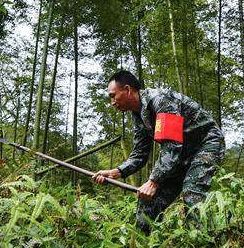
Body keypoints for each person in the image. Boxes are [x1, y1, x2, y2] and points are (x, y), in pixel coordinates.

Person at [93, 70, 225, 233]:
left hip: (205, 144)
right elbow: (140, 154)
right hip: (180, 153)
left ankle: (205, 246)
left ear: (127, 90)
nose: (112, 102)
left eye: (113, 96)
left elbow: (172, 144)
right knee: (148, 200)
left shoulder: (160, 100)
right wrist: (117, 172)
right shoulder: (138, 115)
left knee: (192, 194)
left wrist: (153, 181)